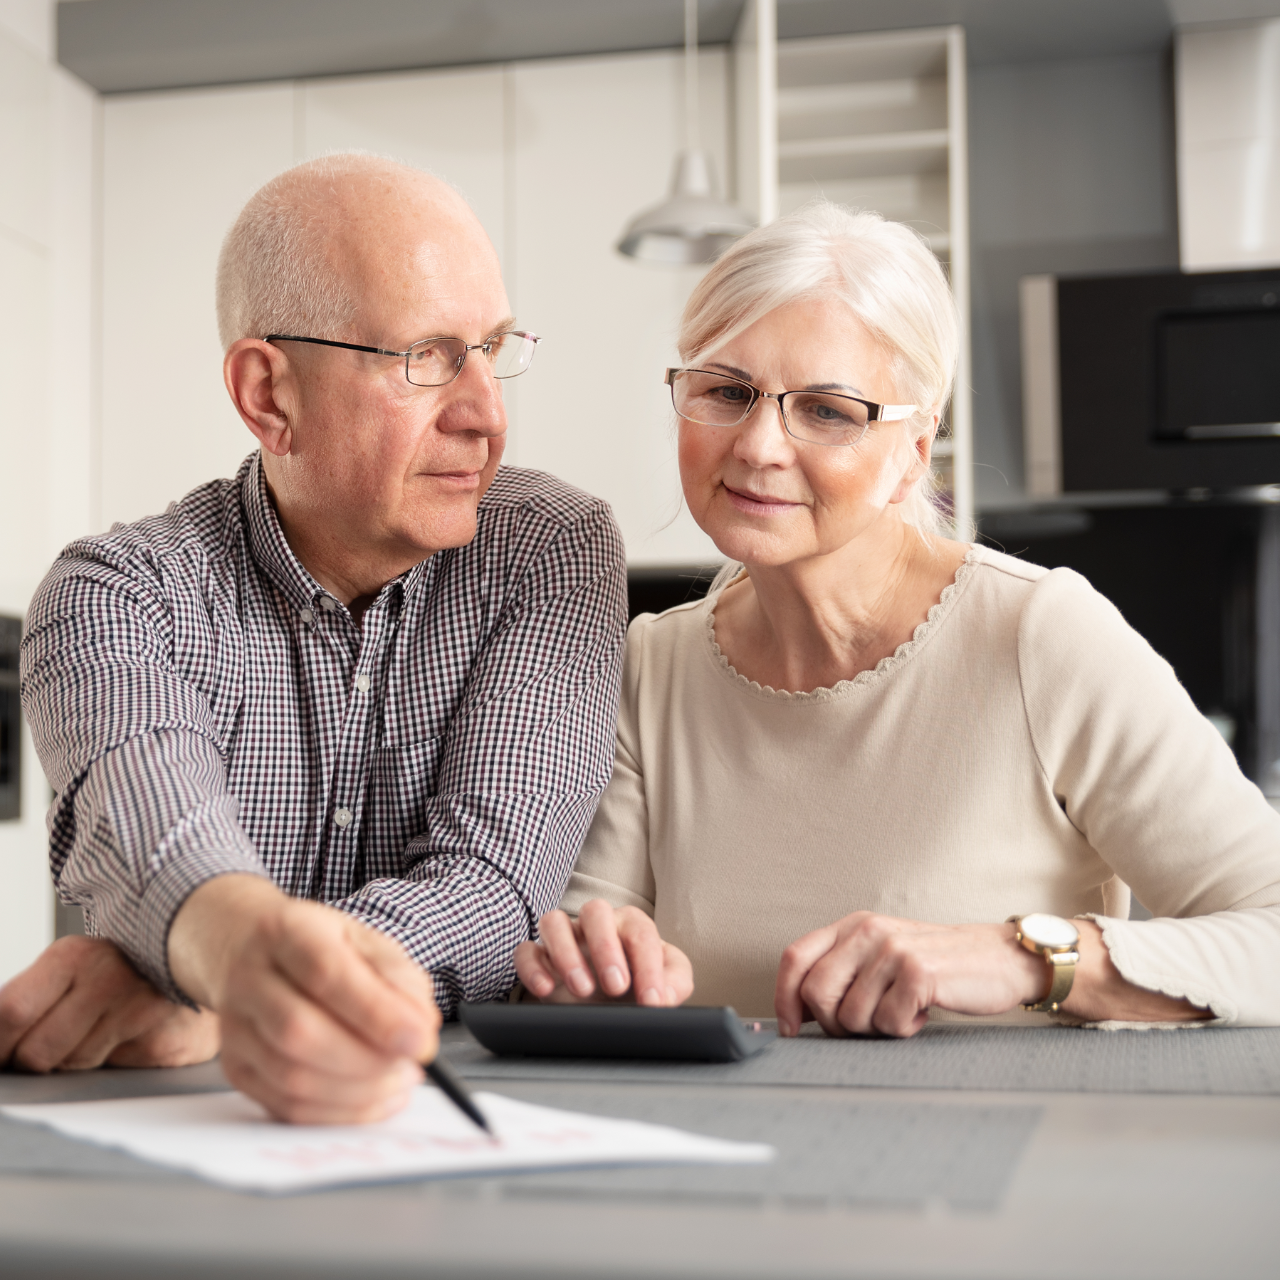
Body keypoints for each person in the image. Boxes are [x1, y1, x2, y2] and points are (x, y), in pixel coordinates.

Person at [515, 201, 1280, 1036]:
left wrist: (1026, 958)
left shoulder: (1039, 636)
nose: (760, 445)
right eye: (726, 391)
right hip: (732, 1158)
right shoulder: (649, 667)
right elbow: (589, 947)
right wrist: (587, 969)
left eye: (828, 411)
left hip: (1002, 1155)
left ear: (913, 454)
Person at [0, 154, 627, 1121]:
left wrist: (210, 984)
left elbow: (495, 885)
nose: (487, 416)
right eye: (425, 358)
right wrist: (227, 951)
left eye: (493, 349)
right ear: (269, 396)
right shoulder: (115, 596)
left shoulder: (552, 549)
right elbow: (159, 826)